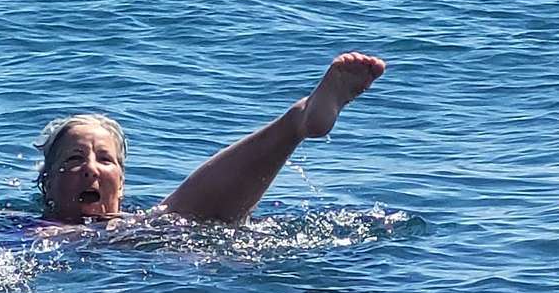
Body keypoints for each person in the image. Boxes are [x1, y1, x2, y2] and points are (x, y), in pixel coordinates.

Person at [35, 52, 385, 226]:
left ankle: (297, 123)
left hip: (136, 247)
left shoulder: (135, 226)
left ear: (122, 186)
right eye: (73, 159)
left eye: (105, 159)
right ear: (46, 183)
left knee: (170, 219)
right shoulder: (21, 228)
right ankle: (294, 123)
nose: (90, 169)